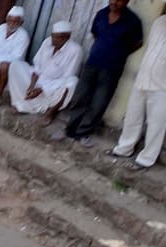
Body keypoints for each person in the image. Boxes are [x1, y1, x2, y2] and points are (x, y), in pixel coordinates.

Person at [110, 3, 166, 171]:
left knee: (156, 124)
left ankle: (146, 159)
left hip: (165, 86)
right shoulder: (160, 21)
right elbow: (151, 47)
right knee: (132, 115)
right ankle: (124, 148)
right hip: (144, 78)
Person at [59, 0, 143, 145]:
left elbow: (137, 43)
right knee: (80, 97)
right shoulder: (101, 14)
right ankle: (70, 129)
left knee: (99, 102)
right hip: (93, 62)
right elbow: (95, 33)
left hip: (112, 68)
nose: (114, 2)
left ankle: (83, 133)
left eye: (119, 0)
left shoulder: (133, 21)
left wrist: (120, 53)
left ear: (127, 1)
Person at [7, 20, 82, 123]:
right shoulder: (47, 42)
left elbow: (67, 77)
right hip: (39, 79)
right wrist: (32, 85)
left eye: (57, 37)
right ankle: (22, 105)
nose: (53, 40)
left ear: (66, 38)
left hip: (54, 87)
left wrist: (42, 89)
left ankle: (50, 112)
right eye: (52, 36)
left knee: (72, 82)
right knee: (15, 65)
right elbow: (37, 66)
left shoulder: (75, 50)